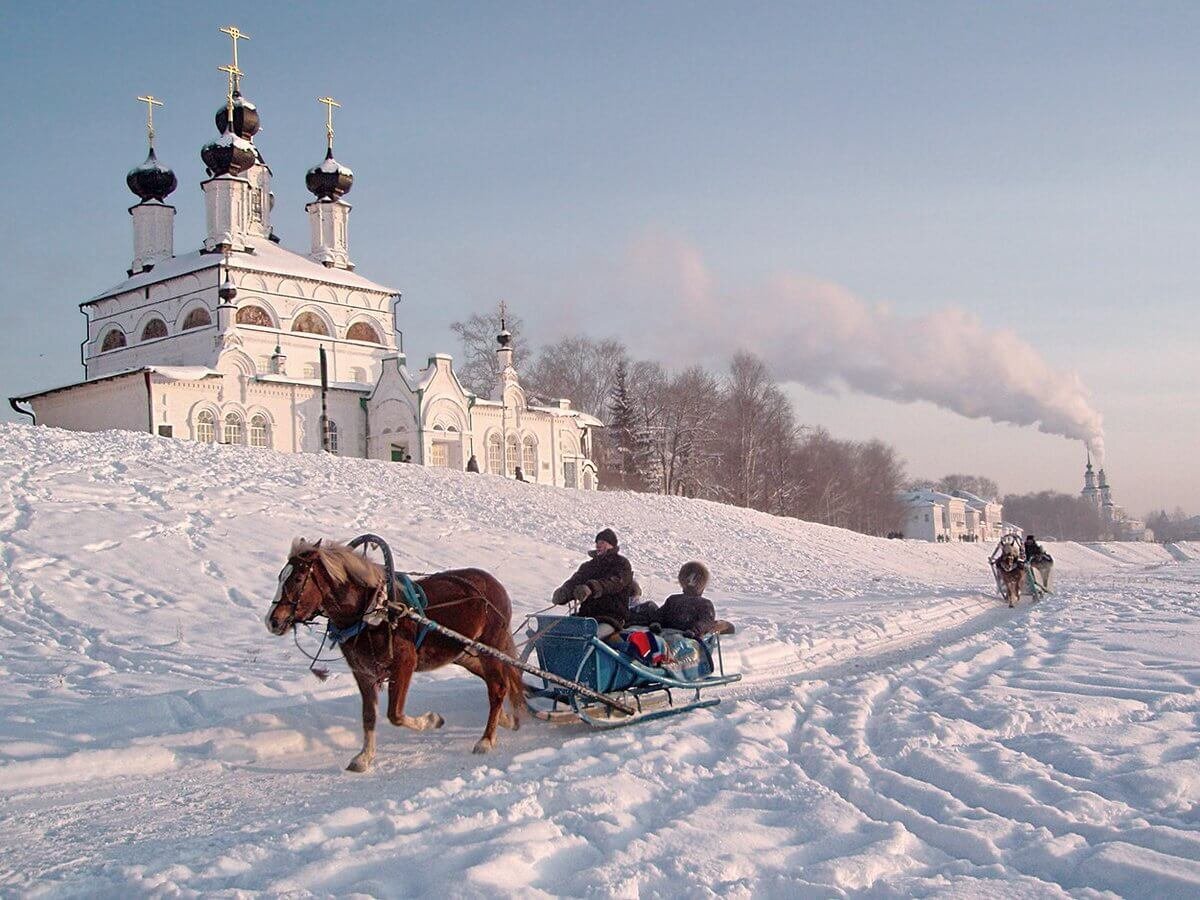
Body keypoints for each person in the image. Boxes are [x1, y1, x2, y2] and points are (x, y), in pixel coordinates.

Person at [552, 528, 636, 637]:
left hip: (611, 618)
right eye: (597, 543)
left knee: (589, 638)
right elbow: (575, 581)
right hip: (586, 617)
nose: (598, 545)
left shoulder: (622, 564)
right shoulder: (588, 566)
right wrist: (564, 592)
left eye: (602, 542)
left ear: (612, 545)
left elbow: (614, 583)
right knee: (555, 634)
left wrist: (591, 588)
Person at [627, 561, 718, 639]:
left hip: (681, 640)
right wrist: (656, 623)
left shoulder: (674, 600)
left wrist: (694, 631)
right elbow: (706, 621)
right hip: (675, 638)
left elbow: (705, 622)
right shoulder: (704, 604)